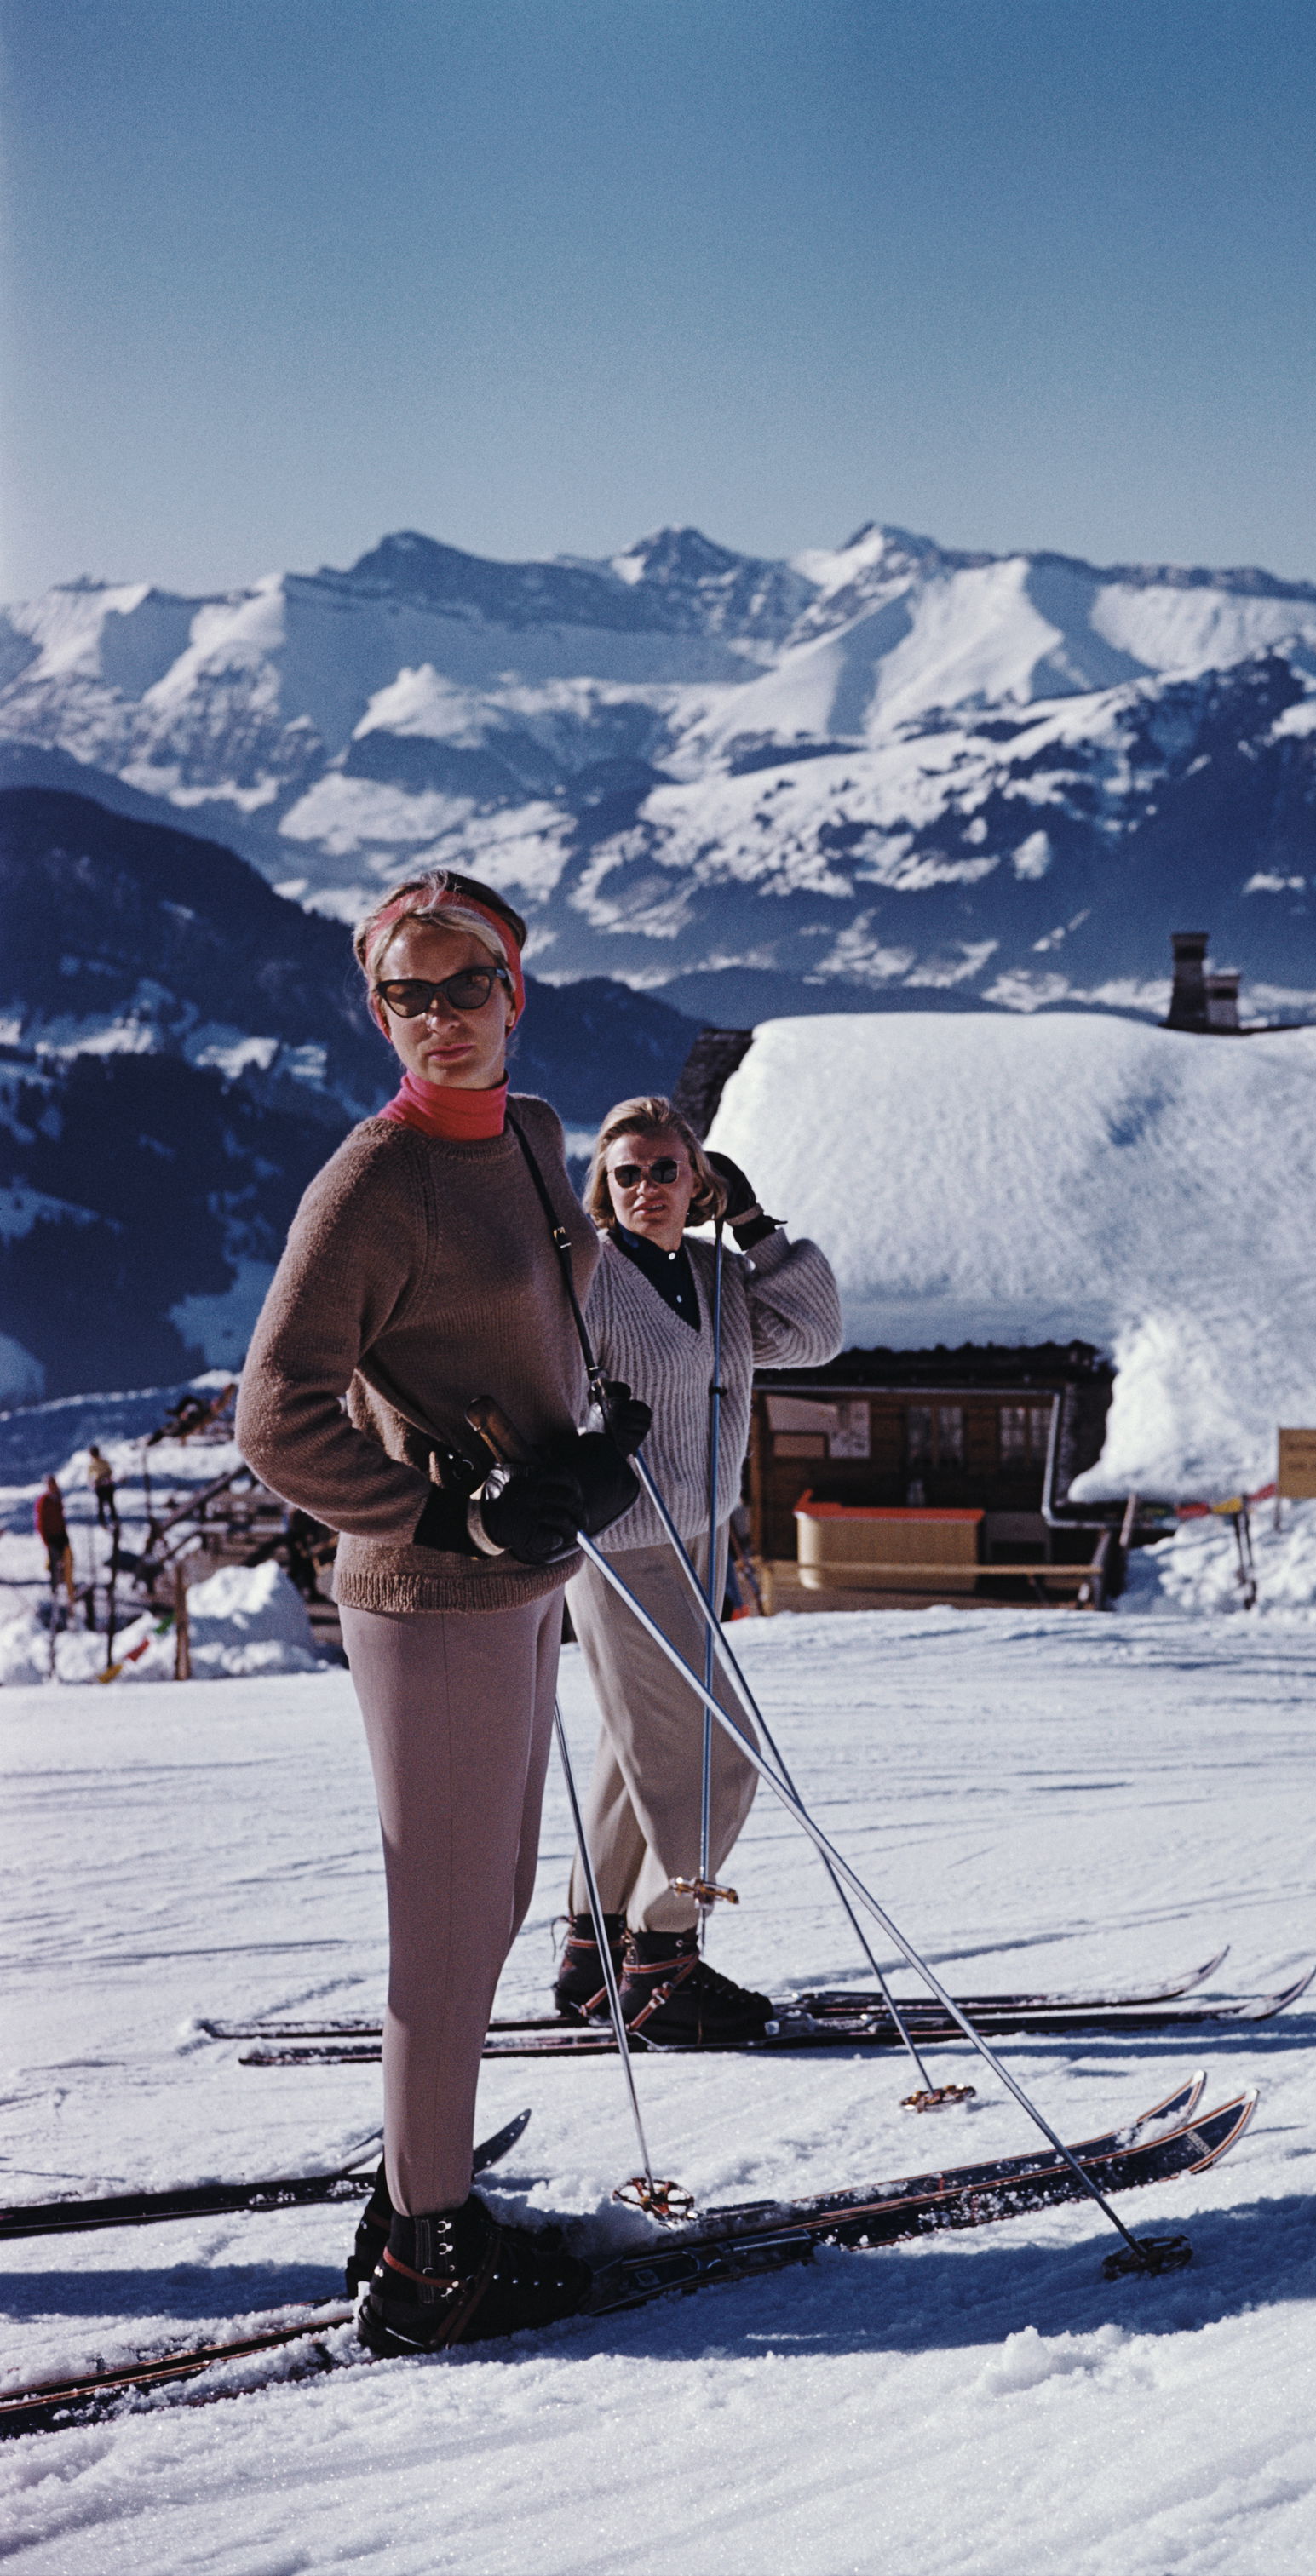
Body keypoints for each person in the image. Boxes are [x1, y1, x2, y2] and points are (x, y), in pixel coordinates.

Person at [237, 867, 648, 2358]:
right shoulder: (372, 1179)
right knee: (450, 1914)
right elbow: (273, 1417)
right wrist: (446, 1511)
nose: (436, 1022)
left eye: (461, 988)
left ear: (514, 992)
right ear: (376, 1008)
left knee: (489, 1900)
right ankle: (431, 2256)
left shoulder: (537, 1141)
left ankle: (425, 2189)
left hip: (523, 1576)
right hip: (430, 1591)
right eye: (404, 995)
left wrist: (586, 1442)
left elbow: (543, 1318)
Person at [553, 1096, 841, 2043]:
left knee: (637, 1752)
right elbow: (531, 1377)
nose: (645, 1188)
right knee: (718, 1759)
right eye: (626, 1173)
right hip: (622, 1542)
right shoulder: (585, 1277)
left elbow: (812, 1336)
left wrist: (756, 1231)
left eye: (664, 1169)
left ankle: (595, 1954)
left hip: (698, 1538)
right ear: (602, 1184)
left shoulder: (716, 1274)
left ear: (698, 1177)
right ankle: (662, 1959)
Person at [35, 1474, 72, 1596]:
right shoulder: (44, 1501)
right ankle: (54, 1589)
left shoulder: (58, 1498)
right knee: (53, 1562)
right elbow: (40, 1521)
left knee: (68, 1559)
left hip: (61, 1534)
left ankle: (68, 1584)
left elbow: (61, 1517)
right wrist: (45, 1539)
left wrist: (64, 1533)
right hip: (51, 1536)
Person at [87, 1447, 118, 1529]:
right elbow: (89, 1476)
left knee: (110, 1503)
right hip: (99, 1485)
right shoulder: (92, 1464)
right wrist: (92, 1483)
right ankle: (103, 1521)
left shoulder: (103, 1462)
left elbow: (110, 1471)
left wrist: (107, 1478)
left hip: (107, 1484)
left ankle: (114, 1520)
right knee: (101, 1504)